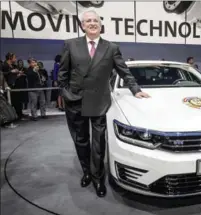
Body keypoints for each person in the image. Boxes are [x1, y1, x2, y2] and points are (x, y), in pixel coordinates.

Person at [58, 10, 150, 198]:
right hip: (75, 101)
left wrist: (136, 90)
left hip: (99, 101)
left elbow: (124, 71)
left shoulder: (111, 48)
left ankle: (98, 177)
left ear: (101, 25)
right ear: (82, 25)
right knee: (81, 140)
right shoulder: (70, 44)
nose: (92, 23)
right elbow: (63, 74)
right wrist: (66, 94)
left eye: (96, 21)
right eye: (88, 21)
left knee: (98, 142)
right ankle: (86, 171)